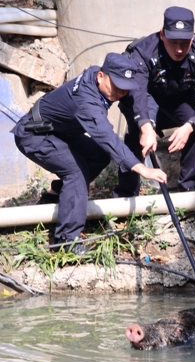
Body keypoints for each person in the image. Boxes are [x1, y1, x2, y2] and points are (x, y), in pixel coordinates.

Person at [12, 53, 167, 254]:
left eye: (124, 88)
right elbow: (107, 137)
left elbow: (144, 98)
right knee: (76, 172)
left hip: (62, 132)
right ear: (101, 76)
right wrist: (142, 169)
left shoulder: (103, 81)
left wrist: (148, 126)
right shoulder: (87, 101)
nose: (120, 92)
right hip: (34, 134)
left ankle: (55, 196)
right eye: (116, 85)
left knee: (99, 156)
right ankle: (66, 241)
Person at [113, 6, 195, 197]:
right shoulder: (143, 52)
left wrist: (189, 126)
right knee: (137, 130)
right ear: (162, 35)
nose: (179, 49)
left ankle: (190, 190)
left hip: (178, 102)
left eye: (185, 43)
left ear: (192, 38)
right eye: (173, 42)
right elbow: (137, 93)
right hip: (145, 101)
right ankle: (126, 196)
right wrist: (146, 127)